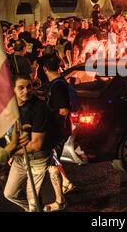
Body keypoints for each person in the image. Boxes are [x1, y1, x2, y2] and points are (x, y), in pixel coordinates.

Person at [3, 75, 53, 212]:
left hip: (37, 158)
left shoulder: (39, 108)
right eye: (21, 88)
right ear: (12, 89)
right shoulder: (12, 106)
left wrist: (8, 153)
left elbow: (36, 145)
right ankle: (36, 209)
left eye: (29, 87)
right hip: (20, 157)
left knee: (33, 200)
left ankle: (34, 208)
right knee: (10, 193)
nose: (26, 91)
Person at [42, 55, 74, 211]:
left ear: (45, 69)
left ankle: (60, 201)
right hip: (58, 130)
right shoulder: (55, 84)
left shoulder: (58, 85)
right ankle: (66, 182)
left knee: (51, 162)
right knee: (52, 159)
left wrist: (47, 115)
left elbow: (63, 110)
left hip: (59, 131)